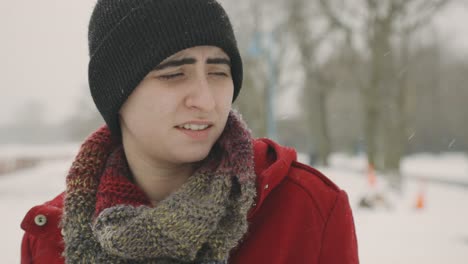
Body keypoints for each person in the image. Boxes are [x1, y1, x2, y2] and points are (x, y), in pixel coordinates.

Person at [20, 0, 359, 263]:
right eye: (172, 74)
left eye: (218, 72)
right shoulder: (49, 237)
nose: (205, 99)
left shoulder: (306, 210)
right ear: (116, 95)